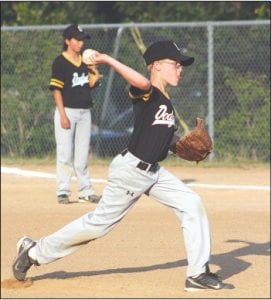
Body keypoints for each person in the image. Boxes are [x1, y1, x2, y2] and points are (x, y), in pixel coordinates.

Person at [12, 40, 225, 291]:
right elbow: (143, 83)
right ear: (155, 65)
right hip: (131, 172)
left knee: (192, 204)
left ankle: (197, 274)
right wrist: (107, 60)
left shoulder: (166, 102)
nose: (180, 69)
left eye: (181, 65)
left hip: (153, 172)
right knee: (97, 224)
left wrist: (178, 145)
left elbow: (160, 136)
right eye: (175, 63)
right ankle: (34, 252)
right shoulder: (146, 93)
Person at [49, 24, 101, 204]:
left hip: (85, 111)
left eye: (82, 40)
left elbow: (90, 85)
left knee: (82, 154)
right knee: (65, 153)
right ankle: (62, 191)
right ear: (67, 41)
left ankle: (85, 191)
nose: (81, 43)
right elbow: (56, 90)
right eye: (77, 40)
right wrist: (62, 115)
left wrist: (94, 70)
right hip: (67, 111)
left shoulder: (84, 61)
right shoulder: (60, 62)